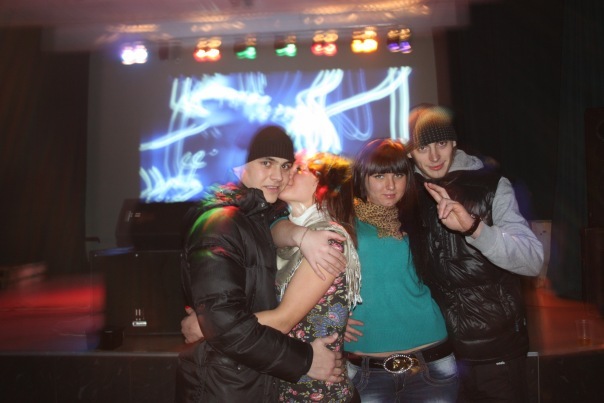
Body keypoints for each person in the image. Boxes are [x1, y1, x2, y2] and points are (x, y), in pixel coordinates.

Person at [176, 125, 344, 403]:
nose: (278, 176)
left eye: (286, 165)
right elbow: (226, 324)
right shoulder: (221, 224)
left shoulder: (259, 220)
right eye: (266, 163)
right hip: (225, 385)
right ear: (240, 169)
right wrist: (305, 360)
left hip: (253, 378)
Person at [406, 104, 544, 402]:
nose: (434, 157)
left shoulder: (491, 185)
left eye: (441, 143)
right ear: (410, 152)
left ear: (454, 142)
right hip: (435, 353)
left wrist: (474, 228)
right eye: (423, 147)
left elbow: (532, 260)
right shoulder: (401, 192)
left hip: (495, 349)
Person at [343, 138, 459, 402]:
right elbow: (285, 244)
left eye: (398, 175)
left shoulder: (422, 217)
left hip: (431, 360)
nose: (391, 185)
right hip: (366, 369)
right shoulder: (342, 221)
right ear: (362, 178)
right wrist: (333, 318)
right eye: (379, 176)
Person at [257, 151, 362, 402]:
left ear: (324, 185)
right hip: (286, 385)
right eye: (288, 168)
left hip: (320, 393)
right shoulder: (297, 233)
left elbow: (283, 320)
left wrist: (211, 326)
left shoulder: (328, 241)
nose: (286, 175)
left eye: (299, 170)